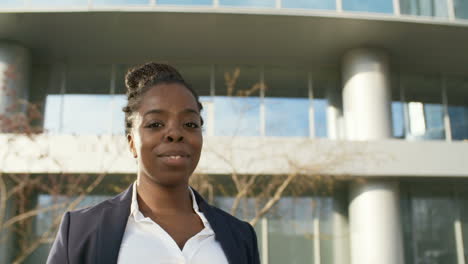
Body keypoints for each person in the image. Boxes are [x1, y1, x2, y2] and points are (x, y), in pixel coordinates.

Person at [47, 63, 260, 264]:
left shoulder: (240, 236)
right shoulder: (80, 231)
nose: (175, 133)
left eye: (189, 124)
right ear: (131, 142)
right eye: (155, 124)